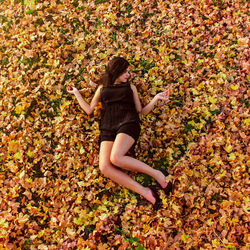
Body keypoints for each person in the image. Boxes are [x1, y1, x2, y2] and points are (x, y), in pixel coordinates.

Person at [67, 57, 172, 209]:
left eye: (128, 72)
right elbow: (89, 110)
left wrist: (156, 98)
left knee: (116, 158)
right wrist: (77, 93)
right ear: (116, 71)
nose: (128, 75)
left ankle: (157, 174)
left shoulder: (130, 88)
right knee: (105, 167)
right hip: (108, 127)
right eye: (125, 72)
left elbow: (140, 111)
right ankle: (146, 192)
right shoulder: (102, 88)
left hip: (128, 123)